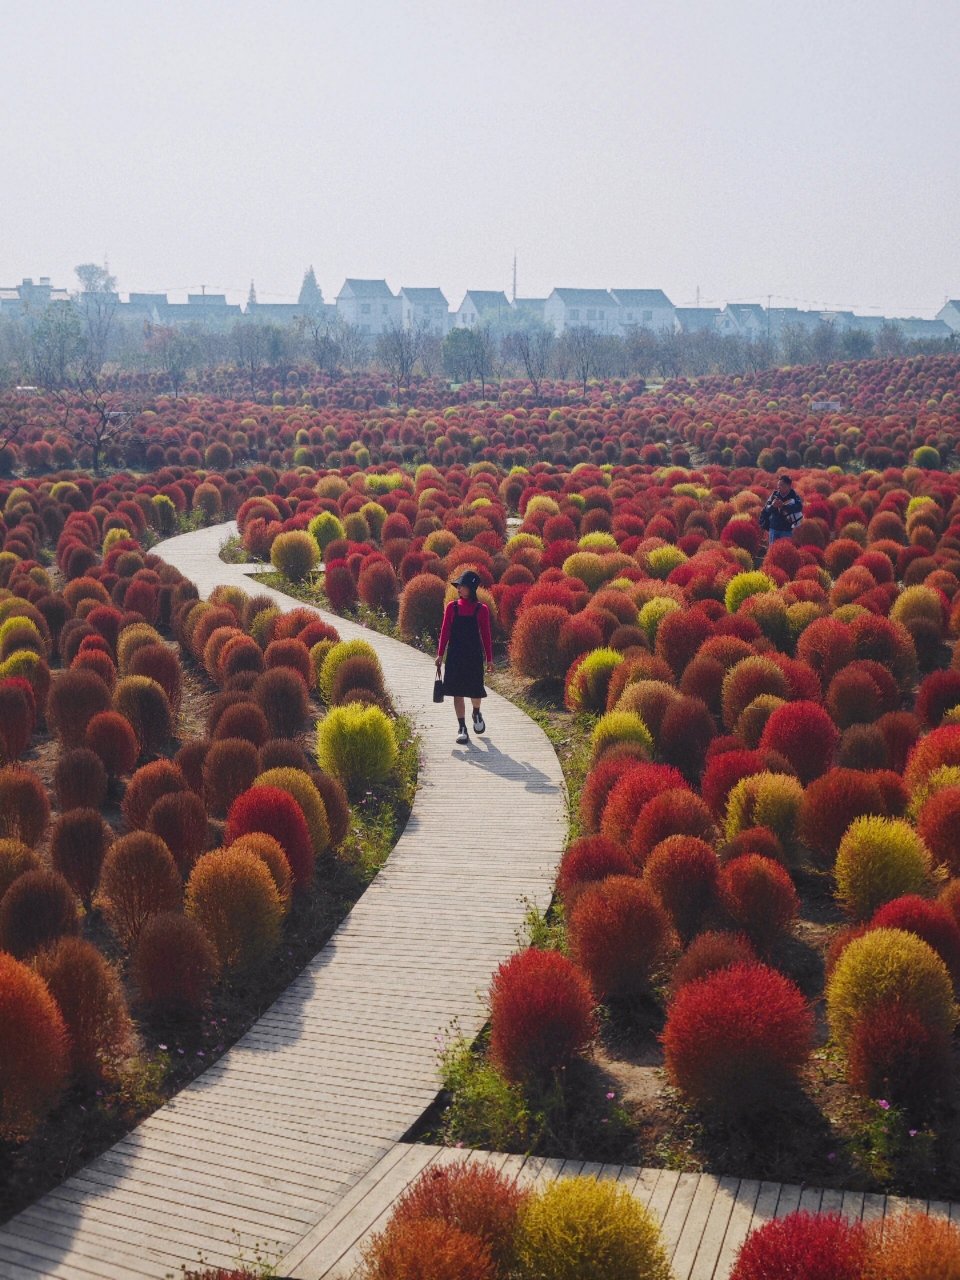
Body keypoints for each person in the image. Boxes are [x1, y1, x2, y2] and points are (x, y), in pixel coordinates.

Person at [435, 569, 494, 745]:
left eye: (462, 586)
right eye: (458, 586)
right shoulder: (451, 608)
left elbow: (486, 635)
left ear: (471, 588)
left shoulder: (481, 610)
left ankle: (476, 713)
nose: (459, 589)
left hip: (474, 657)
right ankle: (462, 727)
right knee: (457, 692)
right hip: (455, 656)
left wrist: (489, 659)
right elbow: (444, 632)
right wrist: (439, 655)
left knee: (476, 692)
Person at [760, 474, 803, 546]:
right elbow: (767, 508)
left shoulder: (794, 496)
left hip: (787, 530)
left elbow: (799, 507)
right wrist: (773, 506)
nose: (779, 487)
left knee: (785, 550)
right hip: (774, 528)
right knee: (773, 551)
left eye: (781, 485)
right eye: (778, 485)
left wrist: (783, 506)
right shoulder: (774, 495)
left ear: (789, 486)